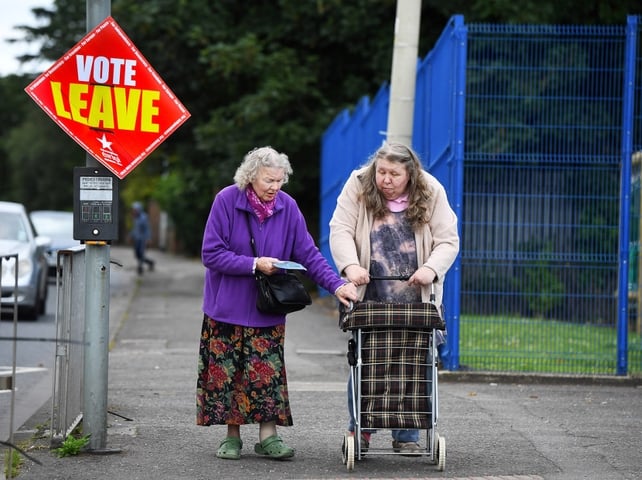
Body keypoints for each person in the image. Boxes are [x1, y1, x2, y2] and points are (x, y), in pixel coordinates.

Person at [196, 146, 358, 461]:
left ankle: (269, 436)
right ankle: (232, 437)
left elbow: (308, 254)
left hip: (266, 308)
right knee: (229, 373)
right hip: (226, 307)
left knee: (266, 375)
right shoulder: (227, 201)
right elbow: (211, 254)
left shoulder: (287, 207)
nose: (275, 187)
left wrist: (336, 284)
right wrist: (255, 264)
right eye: (269, 180)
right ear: (251, 176)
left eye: (280, 181)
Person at [329, 141, 459, 454]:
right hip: (370, 291)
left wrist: (430, 269)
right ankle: (360, 430)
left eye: (394, 174)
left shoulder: (431, 190)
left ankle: (408, 436)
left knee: (415, 361)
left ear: (410, 174)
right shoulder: (359, 183)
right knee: (365, 360)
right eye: (381, 172)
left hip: (416, 293)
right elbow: (341, 229)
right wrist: (350, 265)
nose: (385, 179)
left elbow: (448, 240)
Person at [129, 201, 155, 275]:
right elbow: (135, 228)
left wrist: (148, 239)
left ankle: (140, 268)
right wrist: (131, 236)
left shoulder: (144, 217)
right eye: (133, 210)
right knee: (137, 254)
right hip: (137, 239)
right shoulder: (135, 218)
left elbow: (147, 229)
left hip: (143, 239)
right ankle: (150, 262)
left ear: (139, 209)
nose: (133, 211)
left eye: (135, 210)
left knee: (141, 253)